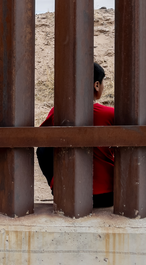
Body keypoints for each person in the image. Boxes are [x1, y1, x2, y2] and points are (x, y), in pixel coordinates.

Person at [36, 62, 115, 208]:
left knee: (44, 148)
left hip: (69, 194)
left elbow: (42, 148)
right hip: (107, 196)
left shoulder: (57, 112)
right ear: (96, 85)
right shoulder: (110, 115)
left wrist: (54, 183)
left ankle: (58, 186)